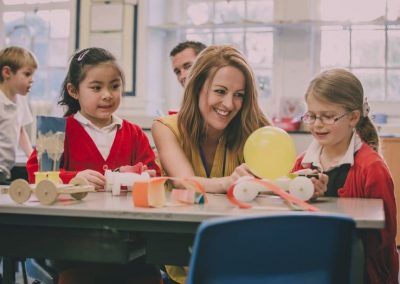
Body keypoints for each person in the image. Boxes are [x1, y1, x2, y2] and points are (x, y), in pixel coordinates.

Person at [27, 47, 161, 284]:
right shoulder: (57, 131)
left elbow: (153, 174)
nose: (107, 95)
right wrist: (73, 179)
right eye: (96, 87)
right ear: (73, 90)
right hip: (75, 244)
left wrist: (138, 176)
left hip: (128, 241)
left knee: (148, 276)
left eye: (115, 86)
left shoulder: (133, 133)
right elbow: (35, 174)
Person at [292, 68, 398, 284]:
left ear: (353, 117)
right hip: (310, 269)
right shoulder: (301, 163)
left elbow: (383, 241)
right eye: (311, 116)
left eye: (328, 116)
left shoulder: (372, 168)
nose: (317, 124)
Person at [0, 46, 36, 185]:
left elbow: (20, 130)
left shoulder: (20, 99)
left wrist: (32, 158)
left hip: (5, 169)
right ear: (7, 72)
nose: (31, 80)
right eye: (27, 74)